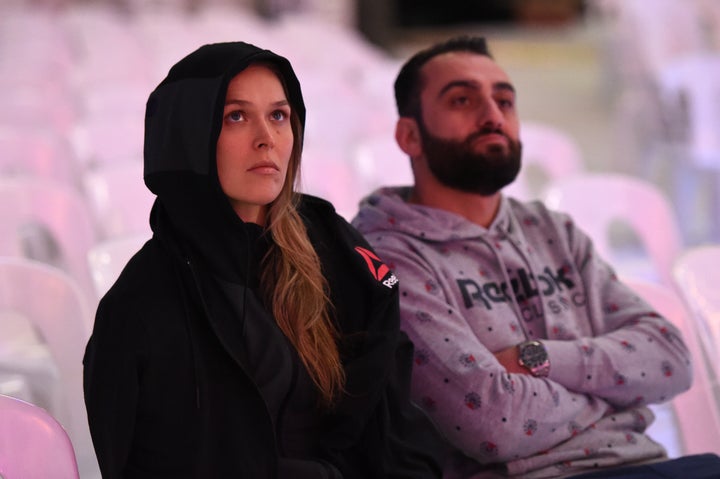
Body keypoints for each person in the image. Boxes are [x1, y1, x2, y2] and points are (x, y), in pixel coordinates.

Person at [351, 35, 720, 478]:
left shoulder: (550, 229)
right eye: (463, 100)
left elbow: (670, 359)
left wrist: (539, 358)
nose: (492, 116)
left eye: (504, 101)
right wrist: (618, 402)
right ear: (409, 135)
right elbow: (494, 423)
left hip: (646, 466)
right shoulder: (386, 256)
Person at [83, 41, 446, 478]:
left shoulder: (330, 244)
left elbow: (388, 415)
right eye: (236, 117)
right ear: (188, 137)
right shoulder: (139, 308)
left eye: (279, 116)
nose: (267, 139)